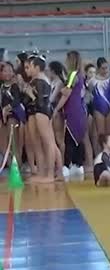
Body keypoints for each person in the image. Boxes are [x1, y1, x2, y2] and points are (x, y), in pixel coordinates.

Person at [53, 51, 93, 177]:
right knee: (78, 138)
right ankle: (78, 164)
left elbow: (66, 94)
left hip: (73, 109)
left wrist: (56, 109)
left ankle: (67, 165)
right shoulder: (80, 75)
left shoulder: (72, 75)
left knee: (69, 138)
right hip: (80, 109)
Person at [24, 55, 56, 183]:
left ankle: (50, 174)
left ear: (37, 67)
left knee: (47, 142)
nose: (29, 69)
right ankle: (41, 172)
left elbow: (41, 102)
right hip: (34, 112)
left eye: (30, 66)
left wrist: (31, 95)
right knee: (36, 143)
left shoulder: (42, 80)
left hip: (42, 112)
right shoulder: (35, 80)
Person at [89, 57, 110, 145]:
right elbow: (90, 93)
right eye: (103, 68)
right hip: (99, 109)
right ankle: (103, 156)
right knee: (101, 135)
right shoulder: (93, 81)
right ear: (98, 69)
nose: (105, 70)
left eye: (106, 68)